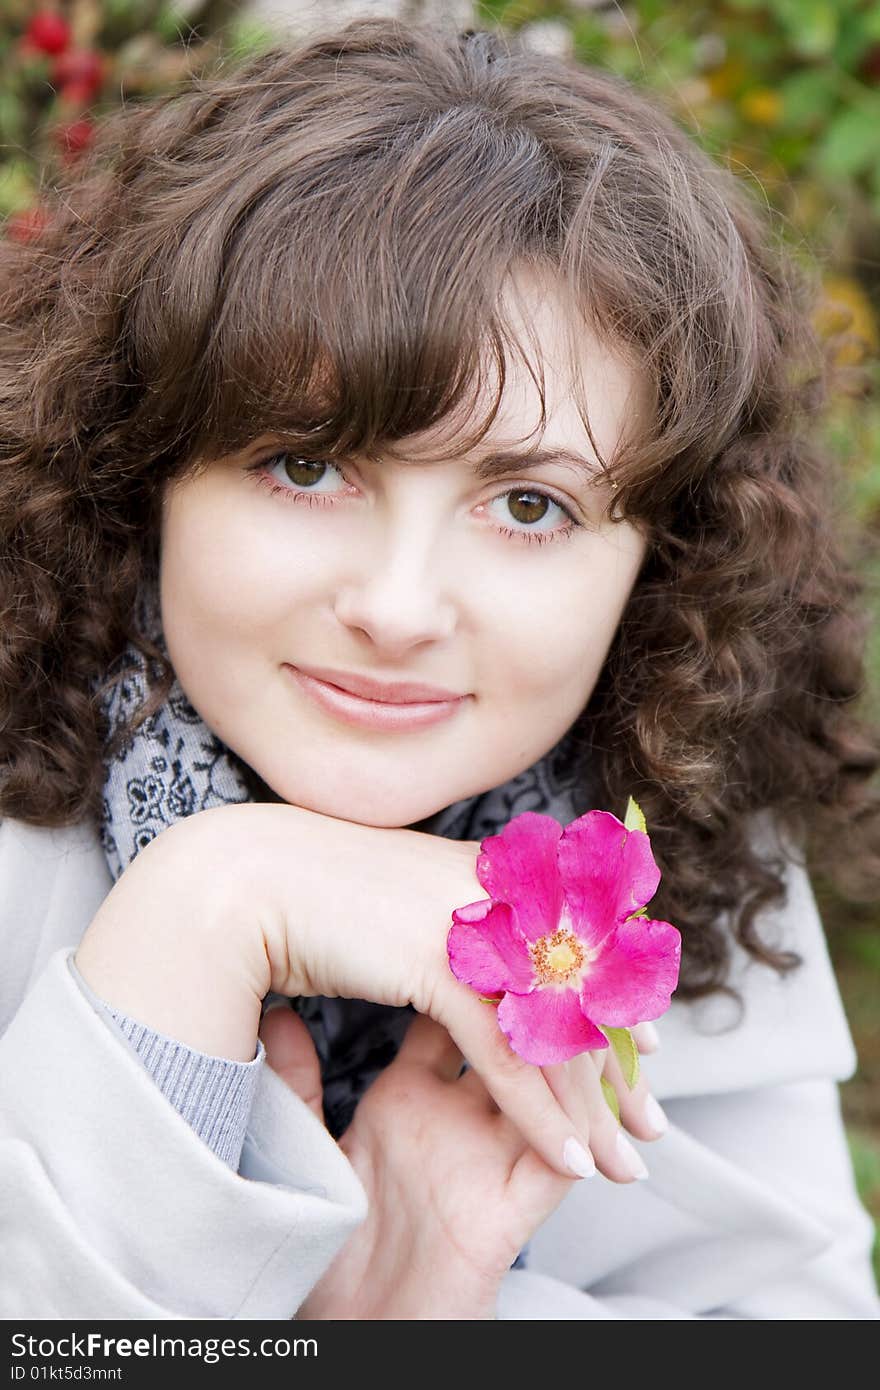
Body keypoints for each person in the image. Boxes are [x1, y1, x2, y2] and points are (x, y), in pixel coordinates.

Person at [0, 15, 878, 1321]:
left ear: (658, 557)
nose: (399, 608)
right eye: (305, 464)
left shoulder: (682, 855)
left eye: (529, 505)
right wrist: (213, 900)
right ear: (147, 461)